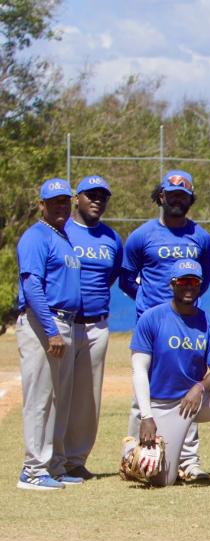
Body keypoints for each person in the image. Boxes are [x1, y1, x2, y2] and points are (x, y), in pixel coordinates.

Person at [121, 169, 210, 482]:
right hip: (152, 324)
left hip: (188, 323)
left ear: (190, 200)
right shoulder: (142, 235)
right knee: (143, 391)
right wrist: (150, 305)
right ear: (160, 196)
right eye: (172, 194)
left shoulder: (200, 237)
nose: (177, 200)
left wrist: (186, 306)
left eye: (183, 196)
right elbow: (126, 277)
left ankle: (188, 461)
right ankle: (135, 455)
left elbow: (205, 277)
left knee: (187, 388)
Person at [129, 259, 210, 489]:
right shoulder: (152, 318)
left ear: (200, 286)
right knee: (161, 480)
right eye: (183, 281)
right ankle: (137, 453)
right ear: (172, 285)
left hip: (194, 400)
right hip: (162, 404)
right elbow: (139, 370)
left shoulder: (207, 323)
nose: (189, 287)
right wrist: (146, 416)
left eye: (194, 282)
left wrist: (200, 387)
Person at [15, 178, 82, 490]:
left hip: (64, 323)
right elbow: (31, 286)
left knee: (59, 400)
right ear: (41, 205)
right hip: (45, 324)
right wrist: (51, 329)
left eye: (65, 201)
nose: (61, 206)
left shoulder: (62, 237)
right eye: (54, 201)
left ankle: (54, 465)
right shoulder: (35, 237)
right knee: (40, 399)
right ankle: (32, 469)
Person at [62, 175, 122, 480]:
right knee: (59, 394)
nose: (97, 200)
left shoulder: (112, 238)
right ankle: (52, 459)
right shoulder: (62, 232)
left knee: (88, 398)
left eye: (103, 196)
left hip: (96, 325)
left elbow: (110, 276)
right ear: (77, 198)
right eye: (91, 195)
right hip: (65, 324)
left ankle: (75, 460)